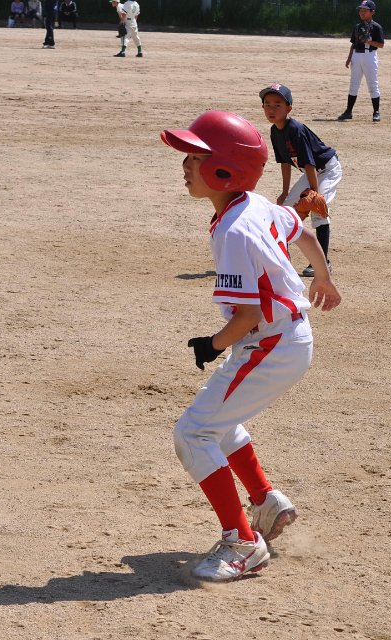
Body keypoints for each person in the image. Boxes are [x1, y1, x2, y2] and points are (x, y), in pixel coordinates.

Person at [160, 110, 341, 582]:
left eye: (194, 158)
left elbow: (248, 316)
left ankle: (242, 543)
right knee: (216, 422)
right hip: (282, 340)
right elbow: (302, 231)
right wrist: (323, 276)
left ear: (224, 170)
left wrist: (211, 344)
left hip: (271, 344)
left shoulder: (235, 230)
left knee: (193, 433)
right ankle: (265, 502)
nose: (185, 166)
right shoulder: (253, 205)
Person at [261, 83, 341, 277]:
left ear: (289, 108)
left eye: (278, 104)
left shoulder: (295, 129)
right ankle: (282, 260)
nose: (271, 109)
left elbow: (310, 163)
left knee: (318, 211)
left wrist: (314, 192)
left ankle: (323, 262)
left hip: (327, 169)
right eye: (267, 104)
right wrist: (285, 192)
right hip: (310, 171)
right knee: (284, 211)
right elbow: (285, 162)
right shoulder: (275, 131)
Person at [338, 0, 385, 123]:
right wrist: (349, 58)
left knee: (372, 84)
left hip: (370, 56)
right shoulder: (357, 27)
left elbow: (381, 44)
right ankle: (348, 111)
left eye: (365, 10)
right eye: (360, 10)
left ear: (372, 12)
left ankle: (376, 112)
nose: (362, 13)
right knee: (354, 84)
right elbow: (353, 43)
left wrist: (368, 41)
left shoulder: (376, 27)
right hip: (356, 56)